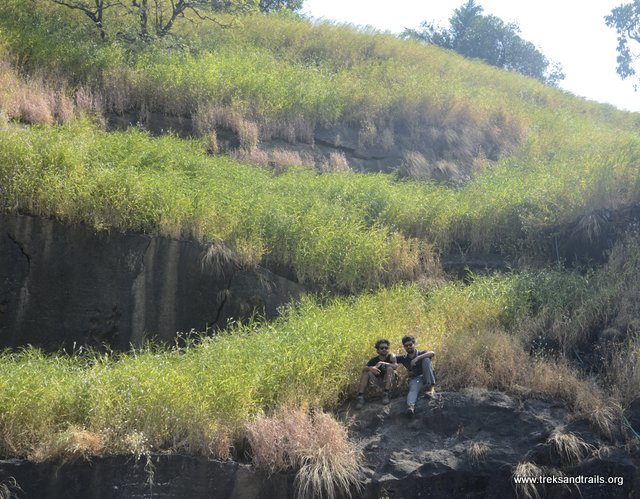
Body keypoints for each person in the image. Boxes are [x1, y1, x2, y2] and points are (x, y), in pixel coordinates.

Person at [396, 335, 436, 416]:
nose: (408, 347)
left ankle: (431, 389)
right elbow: (391, 359)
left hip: (426, 377)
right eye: (406, 346)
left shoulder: (421, 353)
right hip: (415, 379)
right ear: (404, 347)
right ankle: (411, 407)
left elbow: (432, 353)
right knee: (413, 389)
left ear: (414, 344)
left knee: (426, 360)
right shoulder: (404, 358)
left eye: (410, 344)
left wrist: (418, 358)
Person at [355, 339, 397, 409]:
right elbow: (364, 368)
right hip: (378, 380)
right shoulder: (374, 360)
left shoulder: (391, 357)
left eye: (386, 348)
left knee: (390, 368)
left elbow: (395, 366)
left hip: (390, 381)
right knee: (366, 372)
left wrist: (383, 363)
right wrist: (371, 368)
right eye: (382, 348)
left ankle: (386, 393)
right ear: (377, 350)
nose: (384, 349)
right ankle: (360, 397)